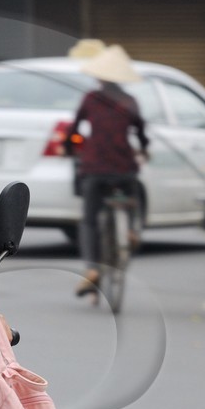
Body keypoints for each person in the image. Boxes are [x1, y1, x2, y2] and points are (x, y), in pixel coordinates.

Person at [66, 43, 148, 299]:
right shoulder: (130, 101)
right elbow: (141, 132)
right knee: (132, 194)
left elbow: (74, 130)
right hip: (124, 168)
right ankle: (131, 228)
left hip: (95, 168)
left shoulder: (91, 99)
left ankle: (91, 269)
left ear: (100, 76)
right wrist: (144, 148)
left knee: (89, 220)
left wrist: (69, 147)